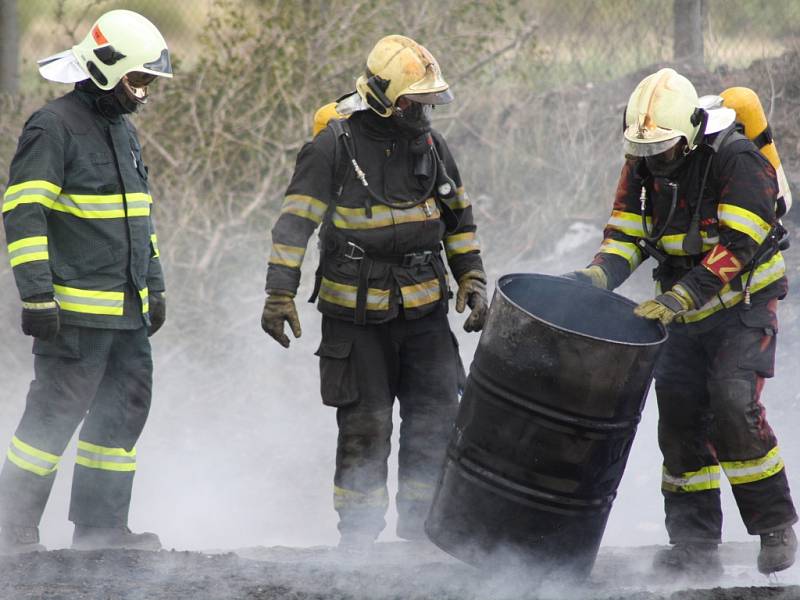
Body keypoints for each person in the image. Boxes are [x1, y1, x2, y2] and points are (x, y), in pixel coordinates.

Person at [564, 68, 797, 577]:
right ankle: (693, 546)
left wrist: (680, 296)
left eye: (662, 150)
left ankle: (775, 526)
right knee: (680, 422)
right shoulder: (643, 161)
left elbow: (739, 244)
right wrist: (597, 277)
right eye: (644, 150)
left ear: (691, 134)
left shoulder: (737, 160)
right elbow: (627, 235)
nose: (651, 159)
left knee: (733, 404)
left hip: (743, 304)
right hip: (682, 311)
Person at [261, 35, 487, 550]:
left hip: (426, 311)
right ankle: (358, 544)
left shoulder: (430, 146)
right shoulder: (332, 145)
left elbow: (461, 221)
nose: (424, 111)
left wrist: (472, 276)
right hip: (356, 317)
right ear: (386, 95)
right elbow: (293, 226)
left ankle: (423, 537)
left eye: (429, 101)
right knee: (365, 427)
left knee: (435, 421)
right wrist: (279, 294)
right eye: (416, 100)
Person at [0, 9, 172, 553]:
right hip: (73, 316)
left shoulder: (122, 131)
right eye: (137, 80)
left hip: (126, 313)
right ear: (104, 70)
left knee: (124, 413)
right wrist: (36, 294)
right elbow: (23, 212)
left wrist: (156, 283)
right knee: (51, 419)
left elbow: (139, 217)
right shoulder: (53, 127)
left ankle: (100, 530)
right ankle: (10, 529)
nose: (143, 92)